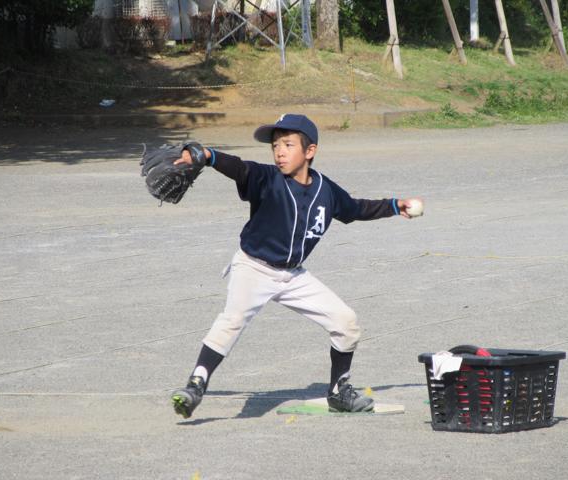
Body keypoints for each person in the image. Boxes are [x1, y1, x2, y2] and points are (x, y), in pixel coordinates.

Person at [170, 114, 421, 418]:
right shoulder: (267, 179)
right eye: (275, 145)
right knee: (232, 320)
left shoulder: (325, 190)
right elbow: (240, 168)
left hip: (293, 275)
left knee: (346, 322)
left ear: (310, 151)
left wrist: (394, 205)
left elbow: (355, 208)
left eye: (288, 145)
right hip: (253, 268)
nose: (279, 152)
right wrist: (208, 156)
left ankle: (339, 392)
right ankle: (196, 385)